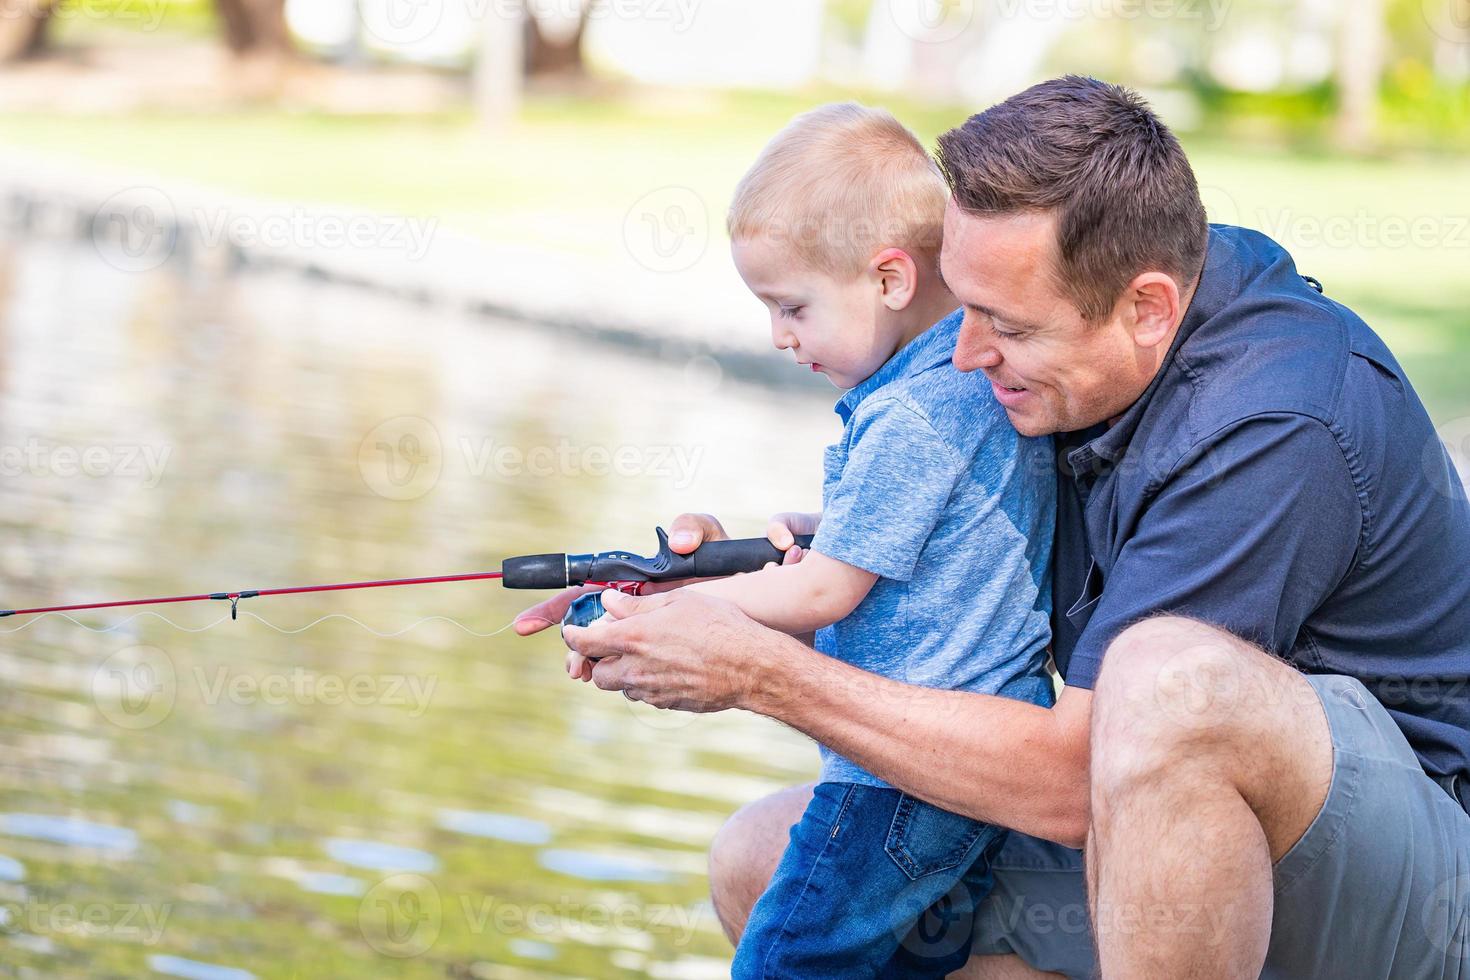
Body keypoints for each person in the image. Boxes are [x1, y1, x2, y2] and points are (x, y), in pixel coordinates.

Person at [522, 76, 1470, 978]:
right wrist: (737, 591)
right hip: (1171, 840)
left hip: (1413, 892)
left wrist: (759, 670)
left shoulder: (1269, 428)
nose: (968, 356)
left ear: (1150, 309)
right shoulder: (1104, 324)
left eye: (1004, 326)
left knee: (1167, 683)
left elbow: (1075, 778)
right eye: (959, 309)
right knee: (764, 861)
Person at [569, 102, 1056, 978]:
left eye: (791, 306)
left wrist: (661, 599)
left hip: (896, 789)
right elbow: (953, 538)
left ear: (891, 280)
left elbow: (822, 594)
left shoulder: (911, 414)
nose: (778, 336)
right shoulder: (963, 386)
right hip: (963, 783)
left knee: (784, 960)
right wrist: (840, 528)